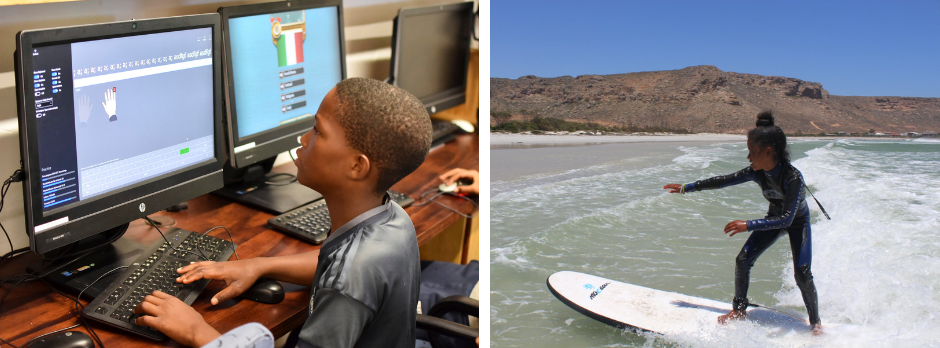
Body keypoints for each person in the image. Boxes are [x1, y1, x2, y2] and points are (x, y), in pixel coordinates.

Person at [131, 77, 433, 347]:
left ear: (357, 166)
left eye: (317, 131)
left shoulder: (348, 283)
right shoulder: (392, 218)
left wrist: (198, 332)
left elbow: (345, 277)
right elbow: (332, 263)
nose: (303, 139)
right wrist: (261, 265)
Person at [662, 111, 822, 335]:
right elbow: (723, 181)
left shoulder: (793, 178)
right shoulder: (758, 172)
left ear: (768, 151)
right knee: (743, 260)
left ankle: (816, 323)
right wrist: (686, 187)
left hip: (797, 223)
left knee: (803, 273)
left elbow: (787, 218)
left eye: (751, 152)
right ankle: (738, 310)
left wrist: (748, 224)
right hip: (773, 220)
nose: (748, 157)